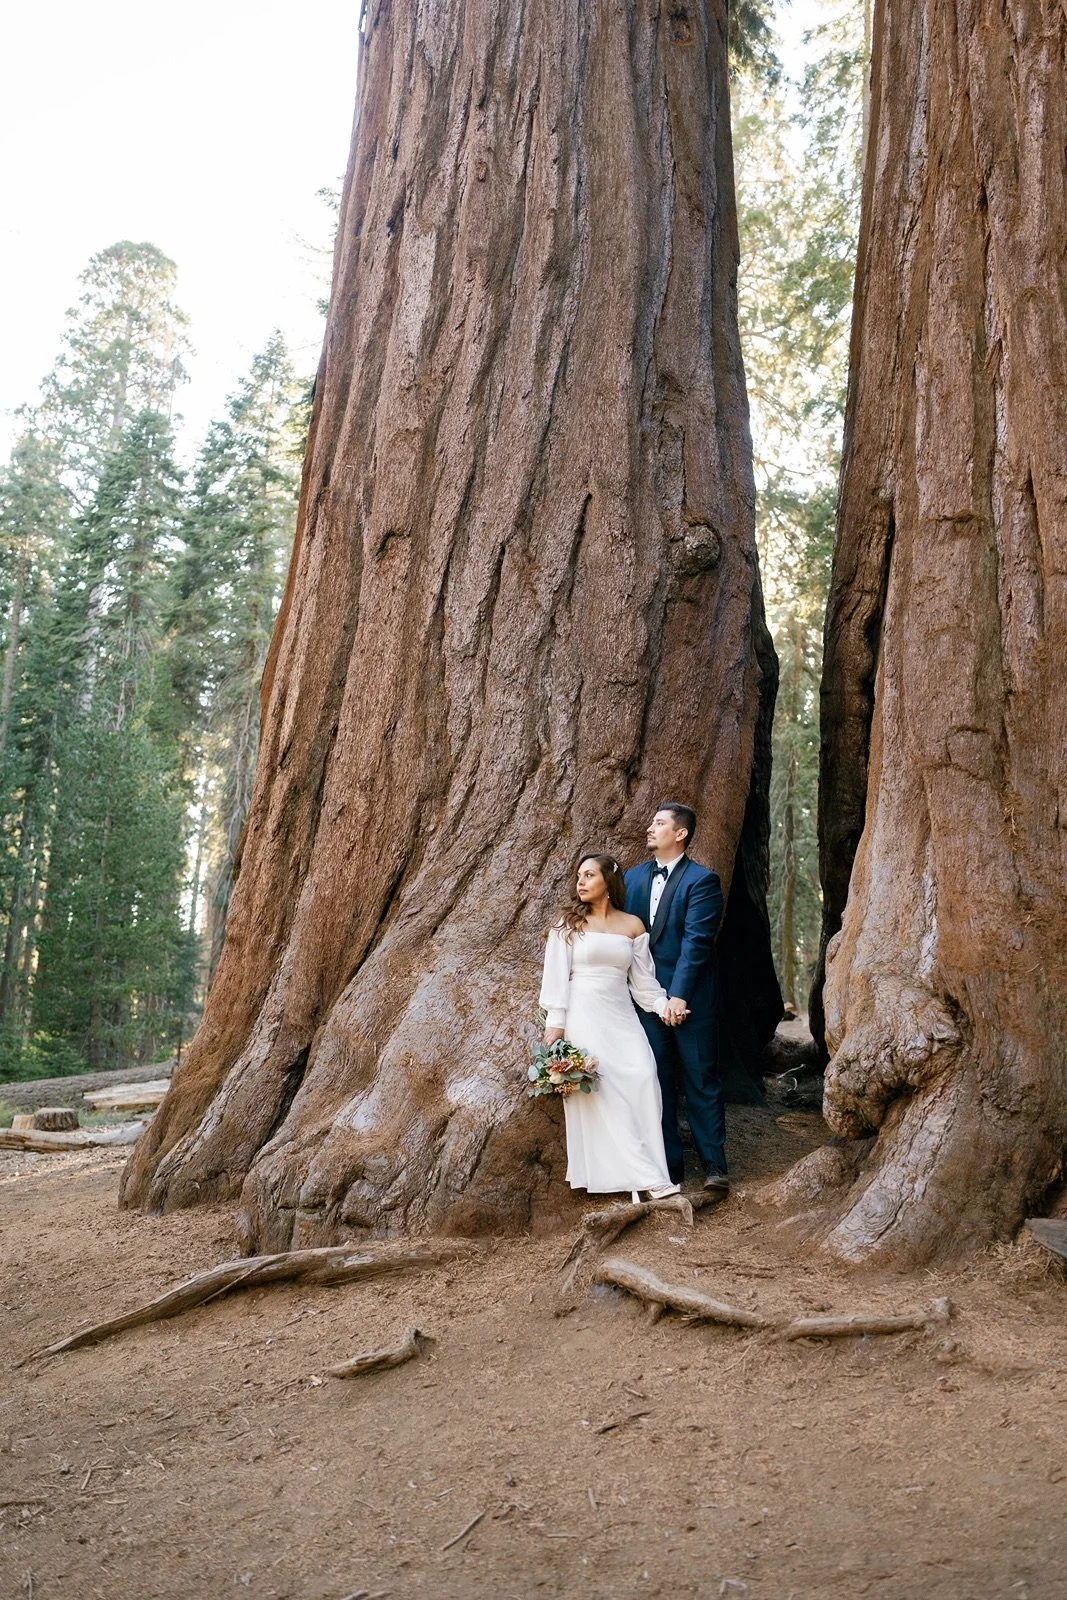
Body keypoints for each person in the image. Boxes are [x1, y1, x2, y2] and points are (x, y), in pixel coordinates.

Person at [539, 853, 686, 1201]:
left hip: (622, 1015)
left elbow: (644, 984)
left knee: (644, 1076)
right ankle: (650, 1179)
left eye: (589, 875)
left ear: (608, 881)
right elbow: (556, 977)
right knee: (604, 1090)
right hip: (583, 1014)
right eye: (579, 876)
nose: (581, 882)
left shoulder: (632, 925)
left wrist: (665, 1006)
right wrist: (555, 1026)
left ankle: (650, 1170)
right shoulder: (567, 924)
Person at [624, 804, 728, 1194]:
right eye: (652, 821)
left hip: (692, 1001)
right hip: (643, 1002)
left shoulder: (702, 881)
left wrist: (679, 996)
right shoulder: (631, 879)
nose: (650, 828)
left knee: (701, 1080)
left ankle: (715, 1167)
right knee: (657, 1082)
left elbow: (697, 943)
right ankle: (669, 1169)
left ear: (680, 833)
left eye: (659, 823)